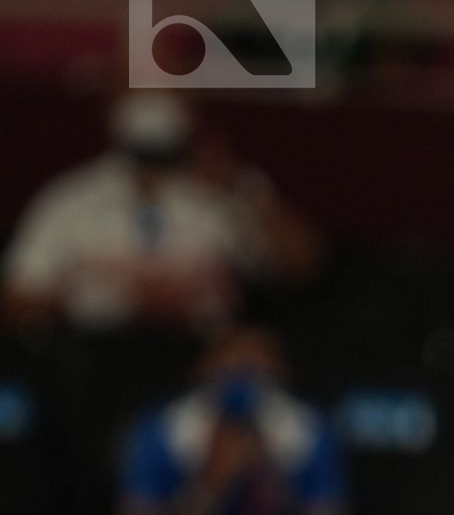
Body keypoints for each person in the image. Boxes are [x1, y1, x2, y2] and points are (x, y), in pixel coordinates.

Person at [2, 90, 320, 335]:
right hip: (94, 360)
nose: (152, 100)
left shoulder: (226, 189)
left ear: (191, 103)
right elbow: (16, 300)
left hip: (198, 362)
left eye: (167, 86)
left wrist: (239, 184)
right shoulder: (69, 199)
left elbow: (302, 265)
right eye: (136, 86)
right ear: (110, 104)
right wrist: (90, 299)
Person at [117, 324, 349, 515]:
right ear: (203, 367)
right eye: (232, 358)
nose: (244, 371)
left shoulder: (307, 428)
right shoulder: (164, 428)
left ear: (282, 373)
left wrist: (273, 481)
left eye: (257, 360)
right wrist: (209, 487)